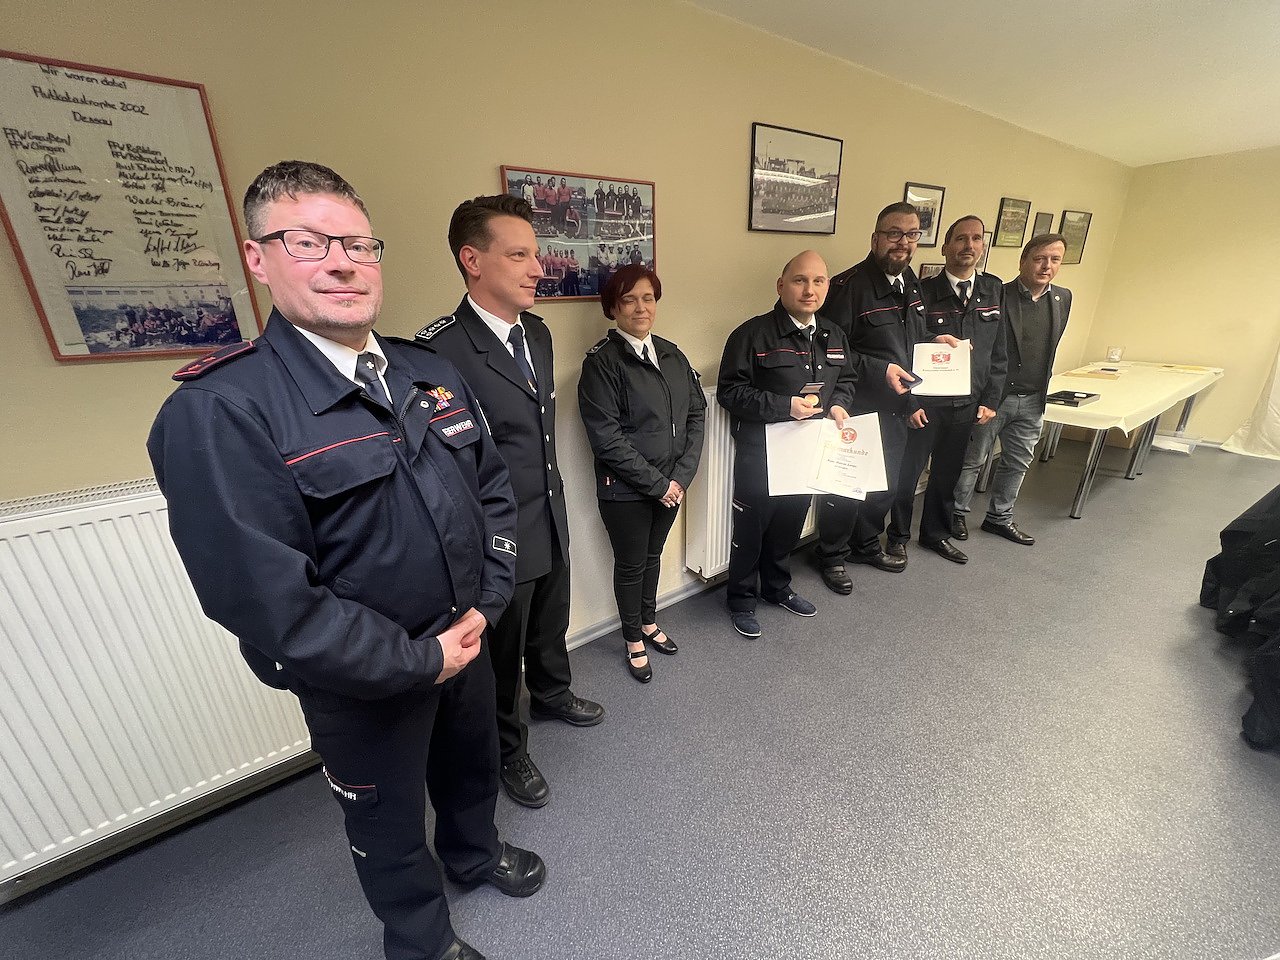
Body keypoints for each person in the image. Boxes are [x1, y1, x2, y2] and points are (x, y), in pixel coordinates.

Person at [147, 161, 542, 960]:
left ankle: (474, 855)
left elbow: (493, 493)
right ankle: (421, 940)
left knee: (472, 771)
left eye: (359, 245)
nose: (342, 263)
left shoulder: (429, 371)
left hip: (466, 635)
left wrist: (489, 602)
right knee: (387, 822)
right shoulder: (222, 409)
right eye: (308, 243)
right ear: (258, 259)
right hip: (362, 678)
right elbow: (265, 599)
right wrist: (417, 659)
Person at [416, 194, 604, 810]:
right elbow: (444, 464)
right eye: (519, 255)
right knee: (499, 655)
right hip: (495, 530)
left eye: (536, 254)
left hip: (548, 510)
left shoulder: (538, 334)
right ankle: (507, 748)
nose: (538, 268)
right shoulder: (439, 351)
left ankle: (552, 693)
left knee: (549, 621)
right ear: (472, 261)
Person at [718, 250, 857, 637]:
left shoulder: (833, 334)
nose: (809, 289)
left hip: (808, 451)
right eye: (800, 280)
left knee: (789, 525)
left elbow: (846, 380)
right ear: (781, 286)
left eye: (818, 281)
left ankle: (777, 588)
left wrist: (839, 405)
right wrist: (784, 406)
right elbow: (730, 392)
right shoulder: (752, 334)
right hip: (761, 453)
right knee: (751, 530)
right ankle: (741, 599)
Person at [578, 265, 706, 681]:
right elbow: (606, 439)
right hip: (626, 491)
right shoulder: (602, 364)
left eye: (648, 298)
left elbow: (696, 414)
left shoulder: (672, 354)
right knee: (632, 564)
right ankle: (633, 637)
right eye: (629, 300)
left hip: (671, 485)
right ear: (613, 308)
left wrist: (681, 478)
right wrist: (659, 485)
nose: (640, 308)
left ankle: (648, 621)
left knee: (653, 556)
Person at [814, 202, 925, 593]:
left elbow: (908, 343)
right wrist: (881, 370)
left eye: (911, 234)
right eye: (894, 233)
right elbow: (831, 352)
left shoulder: (910, 282)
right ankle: (831, 555)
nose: (903, 242)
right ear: (876, 238)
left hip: (896, 407)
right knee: (846, 488)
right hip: (856, 407)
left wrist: (935, 343)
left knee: (884, 487)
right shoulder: (848, 288)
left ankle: (865, 546)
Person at [889, 216, 1007, 564]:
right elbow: (906, 348)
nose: (968, 246)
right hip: (925, 403)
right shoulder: (922, 291)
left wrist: (991, 400)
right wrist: (910, 402)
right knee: (908, 474)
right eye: (960, 239)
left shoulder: (993, 290)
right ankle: (897, 536)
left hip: (967, 403)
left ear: (982, 246)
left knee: (947, 474)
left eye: (976, 239)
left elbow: (999, 350)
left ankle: (935, 535)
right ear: (945, 247)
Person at [952, 233, 1072, 546]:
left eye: (1054, 260)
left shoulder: (1063, 298)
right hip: (995, 398)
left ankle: (999, 518)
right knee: (973, 460)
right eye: (1039, 259)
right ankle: (956, 514)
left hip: (1033, 399)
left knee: (1017, 463)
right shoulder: (998, 295)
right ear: (1023, 261)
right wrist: (985, 396)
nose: (1046, 266)